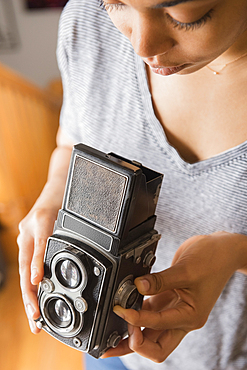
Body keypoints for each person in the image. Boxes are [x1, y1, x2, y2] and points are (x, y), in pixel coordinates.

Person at [17, 0, 247, 369]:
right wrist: (52, 197)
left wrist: (237, 254)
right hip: (107, 341)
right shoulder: (87, 23)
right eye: (116, 3)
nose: (142, 47)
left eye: (183, 14)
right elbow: (72, 140)